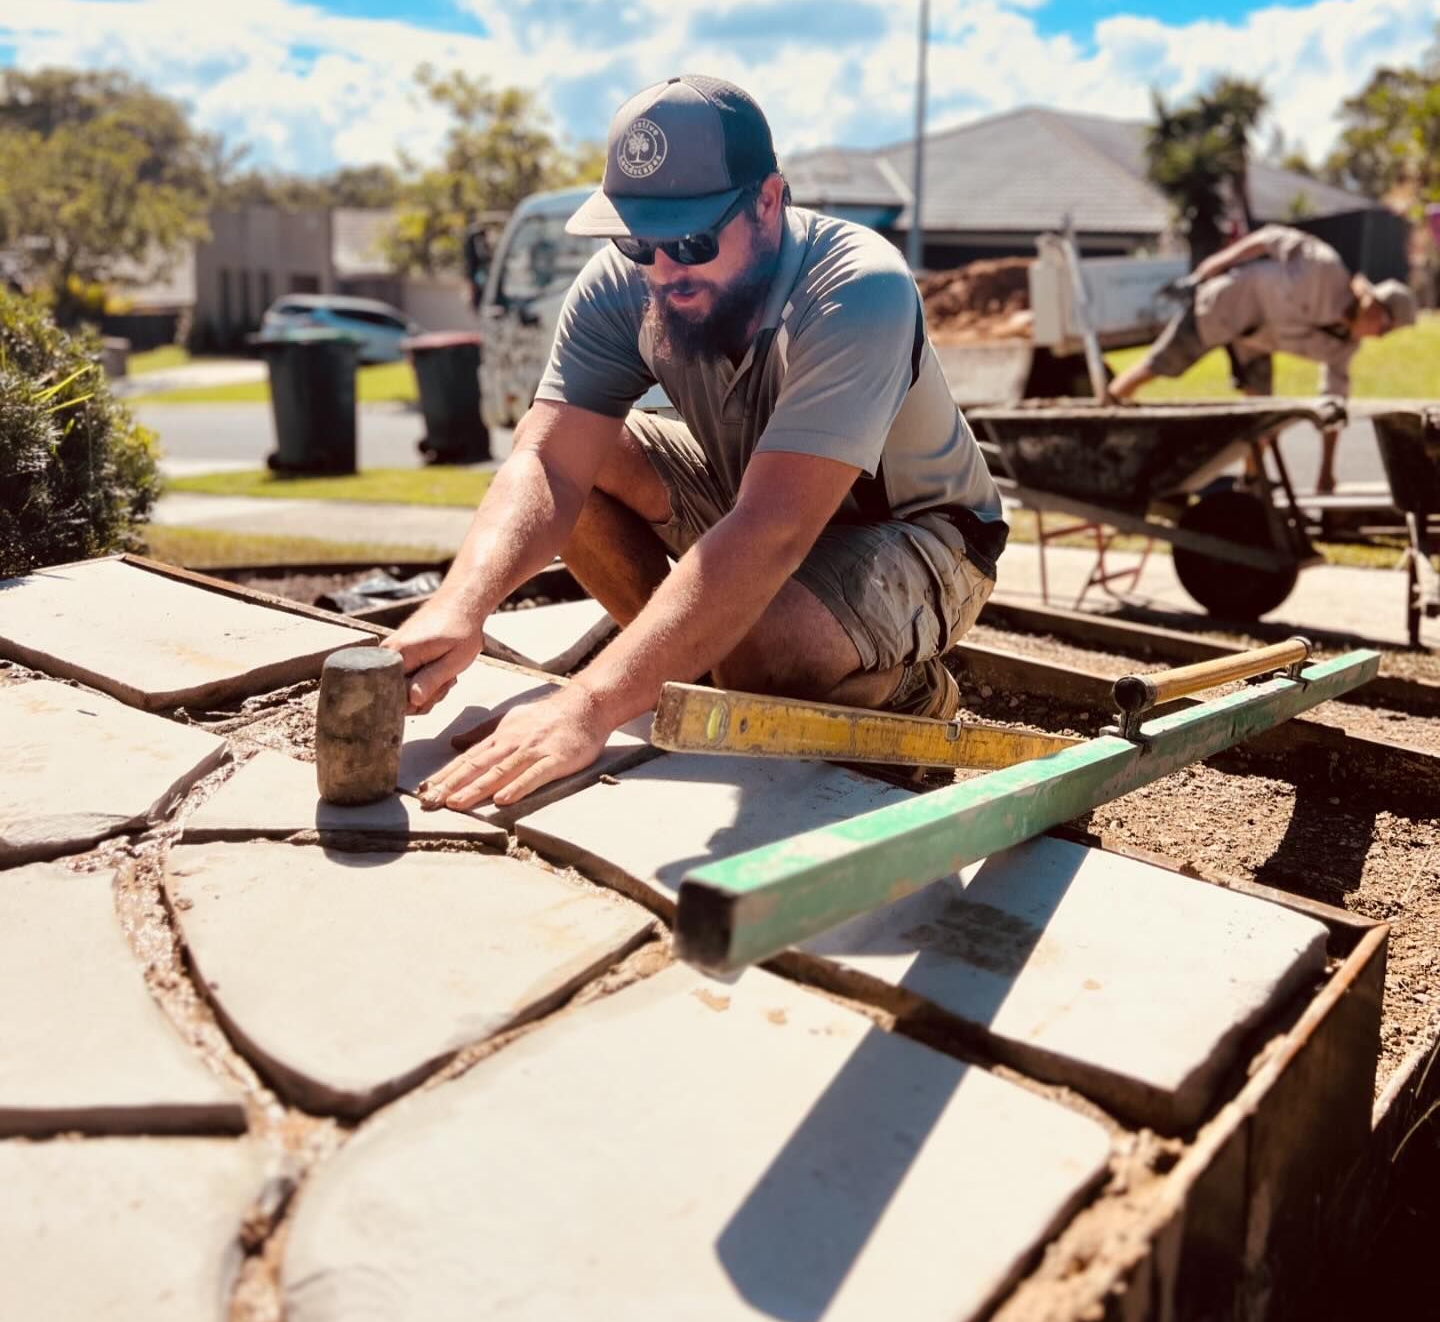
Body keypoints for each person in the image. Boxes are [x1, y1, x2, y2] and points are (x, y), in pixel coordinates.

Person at [387, 74, 1008, 812]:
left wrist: (586, 705)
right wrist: (460, 606)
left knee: (762, 651)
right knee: (591, 468)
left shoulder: (856, 287)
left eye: (689, 239)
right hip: (758, 496)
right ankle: (689, 670)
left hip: (923, 534)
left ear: (769, 201)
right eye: (636, 240)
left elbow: (770, 532)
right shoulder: (630, 281)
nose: (661, 269)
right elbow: (550, 461)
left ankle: (910, 693)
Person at [1107, 224, 1417, 491]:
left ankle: (1250, 489)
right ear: (1374, 306)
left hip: (1256, 344)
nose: (1379, 337)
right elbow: (1270, 236)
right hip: (1227, 305)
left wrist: (1326, 473)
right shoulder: (1324, 268)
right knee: (1160, 365)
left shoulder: (1343, 347)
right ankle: (1101, 425)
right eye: (1385, 329)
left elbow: (1333, 407)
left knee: (1261, 421)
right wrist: (1217, 263)